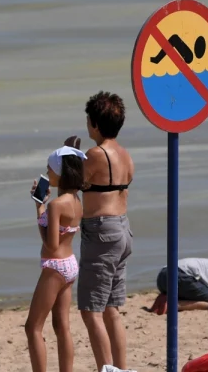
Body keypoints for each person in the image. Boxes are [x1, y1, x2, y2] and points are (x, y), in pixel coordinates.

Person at [79, 91, 135, 372]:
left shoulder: (96, 153)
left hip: (102, 231)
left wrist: (68, 152)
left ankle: (107, 369)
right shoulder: (125, 155)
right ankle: (120, 368)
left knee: (91, 309)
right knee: (112, 308)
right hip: (123, 229)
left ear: (95, 125)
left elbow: (71, 181)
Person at [25, 137, 86, 372]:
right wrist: (41, 208)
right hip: (70, 264)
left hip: (55, 267)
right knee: (62, 327)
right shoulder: (76, 200)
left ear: (59, 172)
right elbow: (61, 236)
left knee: (33, 328)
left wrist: (41, 209)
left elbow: (50, 245)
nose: (47, 173)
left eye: (49, 168)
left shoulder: (56, 205)